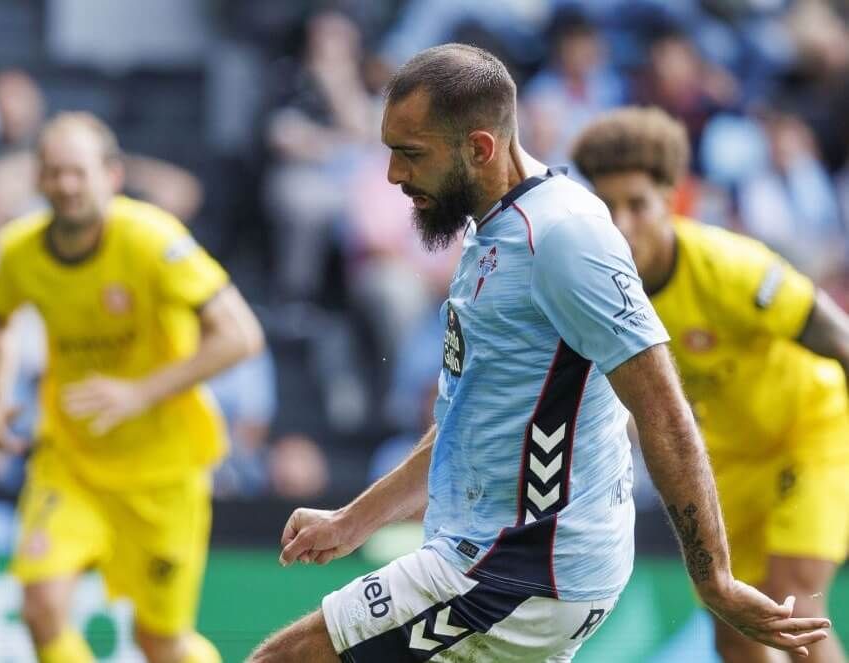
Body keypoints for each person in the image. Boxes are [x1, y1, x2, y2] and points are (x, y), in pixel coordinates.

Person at [246, 45, 830, 663]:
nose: (393, 174)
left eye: (410, 153)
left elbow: (662, 408)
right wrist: (354, 521)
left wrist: (714, 579)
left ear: (480, 148)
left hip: (519, 571)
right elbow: (468, 421)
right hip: (506, 560)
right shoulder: (494, 227)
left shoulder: (562, 237)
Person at [0, 112, 265, 663]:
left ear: (111, 175)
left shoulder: (152, 240)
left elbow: (240, 336)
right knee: (41, 608)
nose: (65, 185)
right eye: (53, 172)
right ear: (38, 179)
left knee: (158, 641)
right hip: (72, 463)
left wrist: (139, 392)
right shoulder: (19, 252)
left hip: (163, 473)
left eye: (77, 172)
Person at [572, 106, 849, 663]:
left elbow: (835, 335)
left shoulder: (729, 265)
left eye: (638, 204)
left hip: (809, 434)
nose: (622, 223)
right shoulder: (594, 294)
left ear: (672, 199)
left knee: (789, 604)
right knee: (734, 631)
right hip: (722, 466)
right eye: (608, 208)